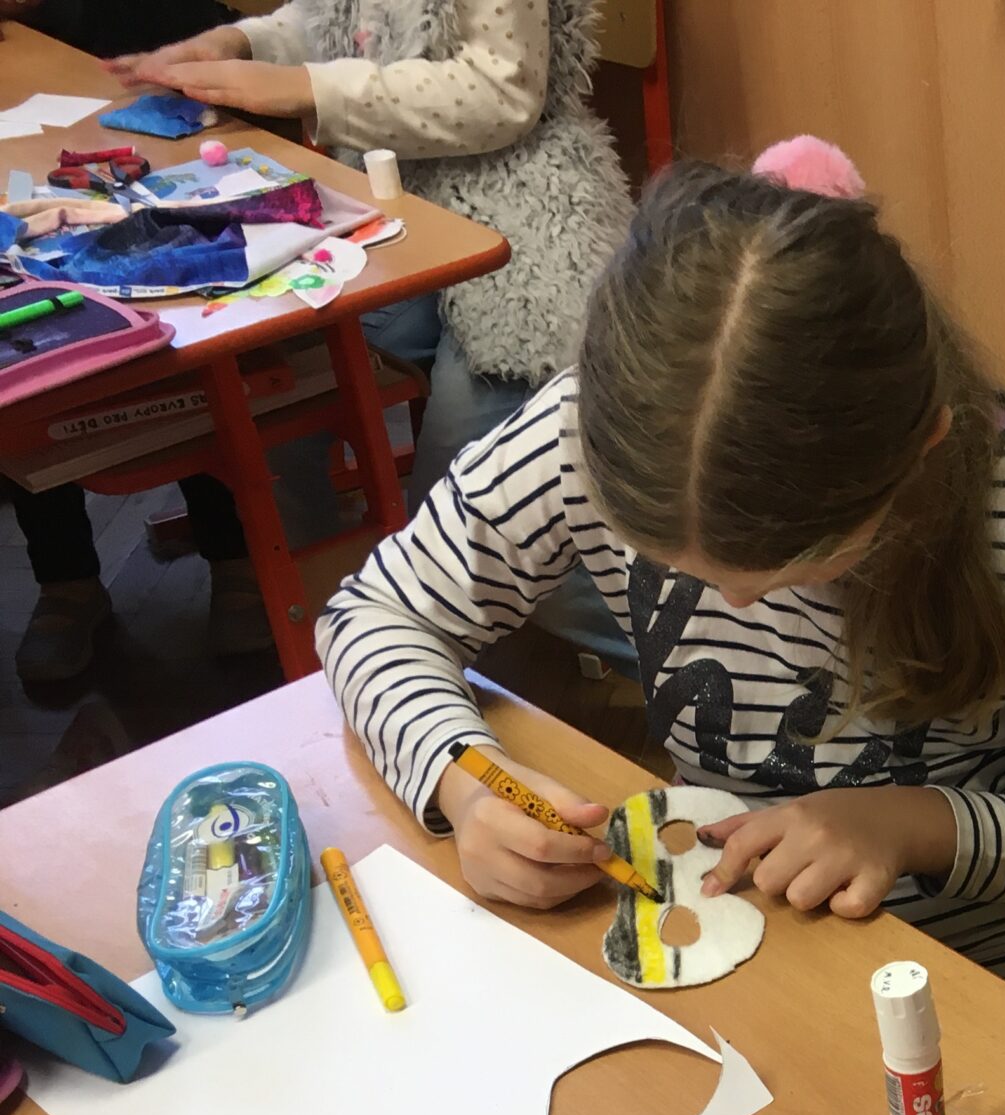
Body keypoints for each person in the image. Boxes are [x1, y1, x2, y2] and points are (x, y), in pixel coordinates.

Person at [315, 151, 1005, 1045]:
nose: (736, 606)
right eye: (671, 565)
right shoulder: (589, 436)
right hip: (744, 943)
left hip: (1000, 971)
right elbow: (374, 617)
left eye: (800, 569)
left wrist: (909, 826)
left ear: (922, 449)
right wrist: (463, 781)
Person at [106, 0, 633, 664]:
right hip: (388, 214)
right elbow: (333, 21)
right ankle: (349, 629)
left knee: (472, 506)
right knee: (276, 411)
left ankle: (690, 661)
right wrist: (240, 42)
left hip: (527, 223)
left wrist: (304, 86)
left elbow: (500, 92)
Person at [1, 0, 271, 683]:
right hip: (28, 130)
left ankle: (236, 555)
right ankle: (66, 579)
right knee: (25, 348)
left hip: (147, 77)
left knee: (185, 319)